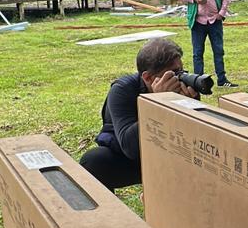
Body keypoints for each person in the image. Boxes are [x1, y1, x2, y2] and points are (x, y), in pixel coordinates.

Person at [80, 38, 197, 190]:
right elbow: (130, 148)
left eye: (181, 71)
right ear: (147, 77)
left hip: (173, 153)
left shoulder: (181, 88)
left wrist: (190, 106)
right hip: (135, 158)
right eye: (172, 74)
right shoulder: (123, 90)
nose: (178, 77)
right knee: (94, 160)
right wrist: (159, 104)